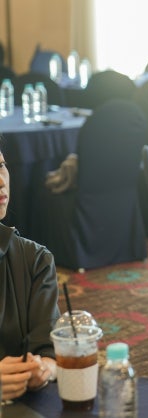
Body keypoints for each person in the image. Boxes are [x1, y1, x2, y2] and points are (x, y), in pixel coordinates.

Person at [0, 151, 60, 400]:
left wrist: (43, 369)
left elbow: (50, 353)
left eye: (1, 166)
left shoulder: (35, 260)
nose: (1, 181)